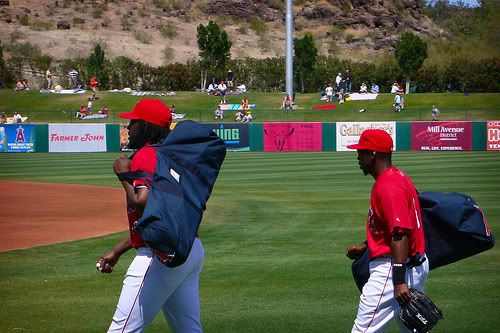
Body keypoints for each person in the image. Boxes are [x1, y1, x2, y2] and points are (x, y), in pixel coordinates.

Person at [97, 99, 204, 333]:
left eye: (133, 121)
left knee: (122, 330)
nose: (128, 126)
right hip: (188, 248)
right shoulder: (171, 156)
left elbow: (143, 203)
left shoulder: (146, 155)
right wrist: (118, 250)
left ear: (145, 126)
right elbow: (160, 217)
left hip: (159, 256)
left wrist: (124, 175)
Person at [345, 129, 428, 333]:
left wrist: (398, 281)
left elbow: (400, 233)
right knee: (412, 327)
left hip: (391, 270)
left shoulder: (388, 185)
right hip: (410, 264)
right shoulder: (398, 176)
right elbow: (393, 226)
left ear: (372, 154)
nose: (357, 157)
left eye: (361, 152)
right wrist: (365, 246)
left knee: (363, 330)